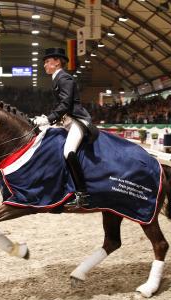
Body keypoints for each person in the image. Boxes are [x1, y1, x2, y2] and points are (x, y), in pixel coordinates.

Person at [33, 47, 98, 207]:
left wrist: (49, 119)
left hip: (77, 121)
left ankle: (83, 193)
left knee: (68, 151)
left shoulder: (64, 78)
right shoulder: (57, 78)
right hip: (66, 121)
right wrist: (46, 119)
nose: (45, 65)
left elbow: (66, 104)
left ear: (57, 62)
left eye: (48, 61)